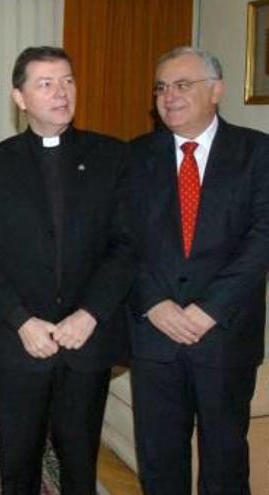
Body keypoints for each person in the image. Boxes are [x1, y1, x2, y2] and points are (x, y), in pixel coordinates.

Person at [0, 46, 135, 494]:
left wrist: (90, 314)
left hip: (87, 342)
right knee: (17, 465)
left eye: (68, 81)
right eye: (45, 83)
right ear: (19, 98)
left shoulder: (111, 157)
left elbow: (127, 246)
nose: (61, 92)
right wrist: (20, 321)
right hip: (23, 343)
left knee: (80, 467)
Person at [128, 46, 269, 494]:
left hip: (225, 335)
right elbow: (118, 243)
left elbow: (263, 237)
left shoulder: (257, 152)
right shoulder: (131, 158)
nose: (169, 96)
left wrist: (210, 309)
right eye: (162, 87)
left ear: (217, 91)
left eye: (182, 84)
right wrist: (153, 303)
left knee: (225, 462)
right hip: (155, 337)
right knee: (159, 461)